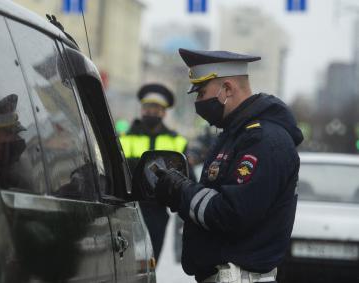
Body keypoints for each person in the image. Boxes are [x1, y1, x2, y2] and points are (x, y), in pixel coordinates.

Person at [154, 48, 304, 283]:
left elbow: (232, 214)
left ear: (228, 89)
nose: (198, 102)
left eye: (202, 92)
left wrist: (181, 190)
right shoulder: (236, 135)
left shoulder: (262, 141)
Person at [119, 83, 190, 262]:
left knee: (151, 261)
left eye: (156, 108)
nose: (151, 112)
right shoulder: (124, 139)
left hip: (158, 211)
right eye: (147, 107)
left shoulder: (177, 142)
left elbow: (187, 178)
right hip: (127, 208)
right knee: (127, 261)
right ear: (142, 109)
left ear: (164, 112)